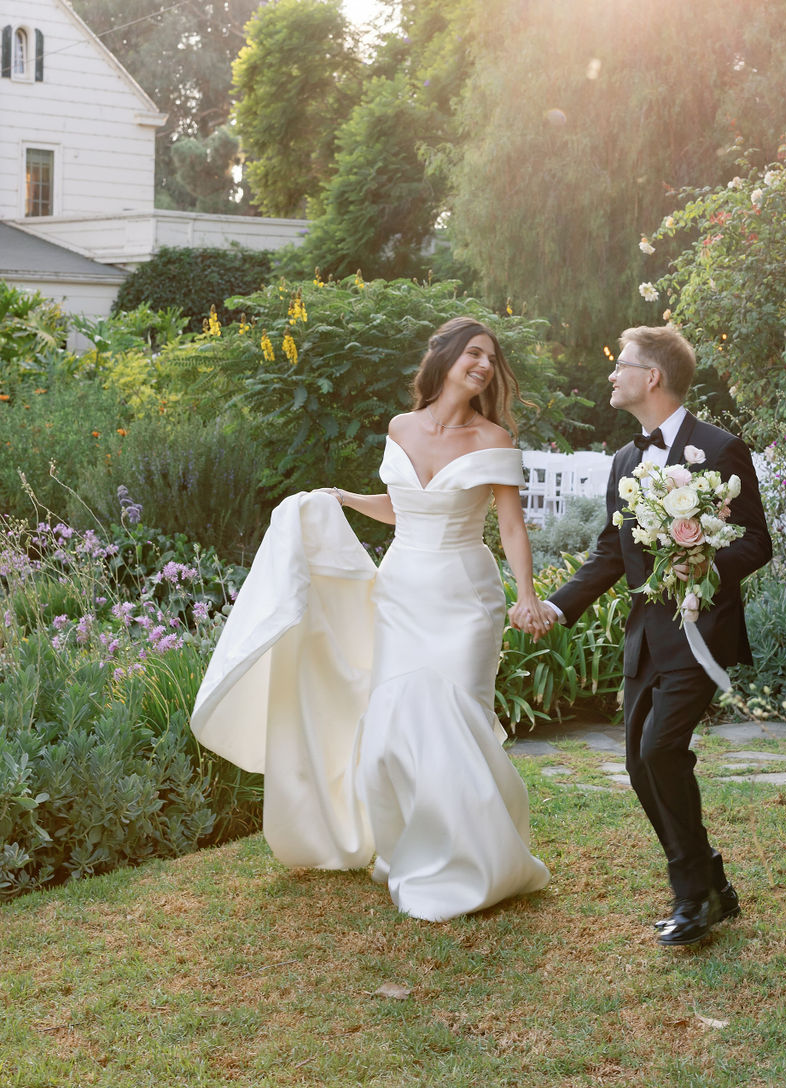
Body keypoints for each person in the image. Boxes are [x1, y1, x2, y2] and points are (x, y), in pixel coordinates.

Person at [191, 316, 549, 922]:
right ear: (445, 357)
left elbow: (510, 526)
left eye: (492, 358)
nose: (484, 365)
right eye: (474, 353)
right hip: (402, 591)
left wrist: (526, 595)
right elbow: (403, 507)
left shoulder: (495, 441)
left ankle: (479, 862)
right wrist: (348, 501)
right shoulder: (401, 427)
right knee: (390, 731)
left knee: (455, 720)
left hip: (465, 596)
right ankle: (416, 846)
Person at [523, 324, 771, 948]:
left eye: (621, 364)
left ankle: (693, 899)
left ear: (651, 377)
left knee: (661, 751)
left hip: (700, 631)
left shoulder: (720, 449)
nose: (612, 374)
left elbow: (756, 542)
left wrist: (706, 564)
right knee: (639, 764)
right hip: (646, 639)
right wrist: (557, 606)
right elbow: (612, 551)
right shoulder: (627, 461)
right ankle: (711, 881)